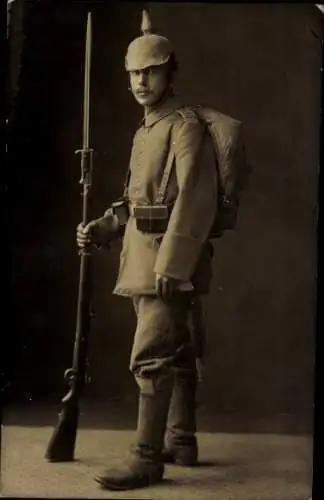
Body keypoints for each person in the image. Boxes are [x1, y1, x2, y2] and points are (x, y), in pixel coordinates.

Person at [77, 10, 217, 491]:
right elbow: (139, 199)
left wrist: (173, 264)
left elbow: (196, 199)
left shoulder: (184, 125)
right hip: (143, 253)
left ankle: (146, 458)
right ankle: (181, 440)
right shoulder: (147, 128)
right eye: (134, 72)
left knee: (152, 355)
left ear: (169, 70)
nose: (140, 80)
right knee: (175, 351)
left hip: (167, 261)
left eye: (150, 70)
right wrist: (102, 227)